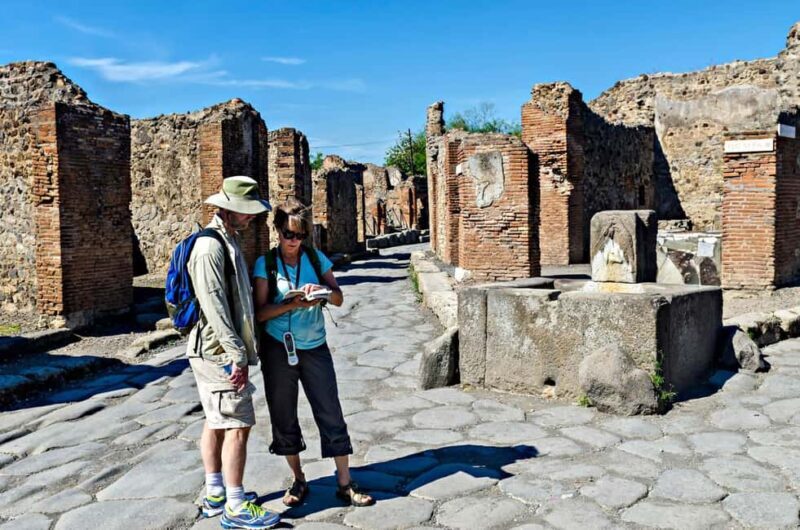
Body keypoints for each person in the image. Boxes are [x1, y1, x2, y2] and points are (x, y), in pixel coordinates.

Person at [253, 199, 374, 508]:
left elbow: (338, 298)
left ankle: (345, 483)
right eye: (288, 234)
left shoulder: (315, 258)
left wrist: (319, 292)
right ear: (277, 231)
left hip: (314, 346)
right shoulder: (265, 264)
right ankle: (298, 479)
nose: (294, 241)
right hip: (279, 347)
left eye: (300, 235)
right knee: (284, 415)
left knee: (330, 410)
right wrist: (293, 303)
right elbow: (261, 313)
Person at [187, 176, 280, 529]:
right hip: (217, 352)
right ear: (228, 209)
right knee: (238, 423)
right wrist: (235, 353)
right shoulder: (210, 248)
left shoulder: (227, 240)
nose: (252, 217)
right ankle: (236, 506)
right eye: (247, 212)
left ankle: (215, 495)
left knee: (216, 420)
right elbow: (214, 307)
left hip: (212, 349)